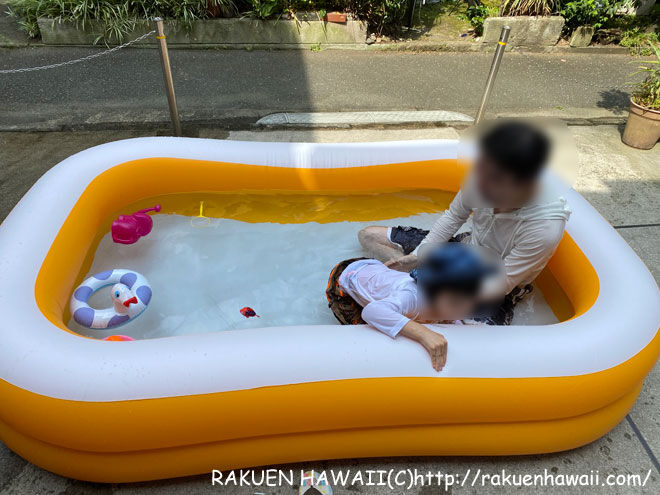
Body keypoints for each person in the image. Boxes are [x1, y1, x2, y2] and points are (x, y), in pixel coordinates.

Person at [358, 121, 571, 325]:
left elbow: (502, 283)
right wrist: (417, 256)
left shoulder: (545, 228)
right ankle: (409, 282)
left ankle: (418, 293)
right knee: (369, 236)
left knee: (464, 329)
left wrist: (438, 286)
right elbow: (454, 217)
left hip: (495, 280)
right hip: (466, 248)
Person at [326, 243, 498, 371]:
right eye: (456, 302)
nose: (465, 311)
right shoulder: (412, 297)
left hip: (374, 268)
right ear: (433, 291)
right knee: (367, 332)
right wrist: (424, 333)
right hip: (344, 281)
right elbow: (371, 311)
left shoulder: (446, 298)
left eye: (472, 301)